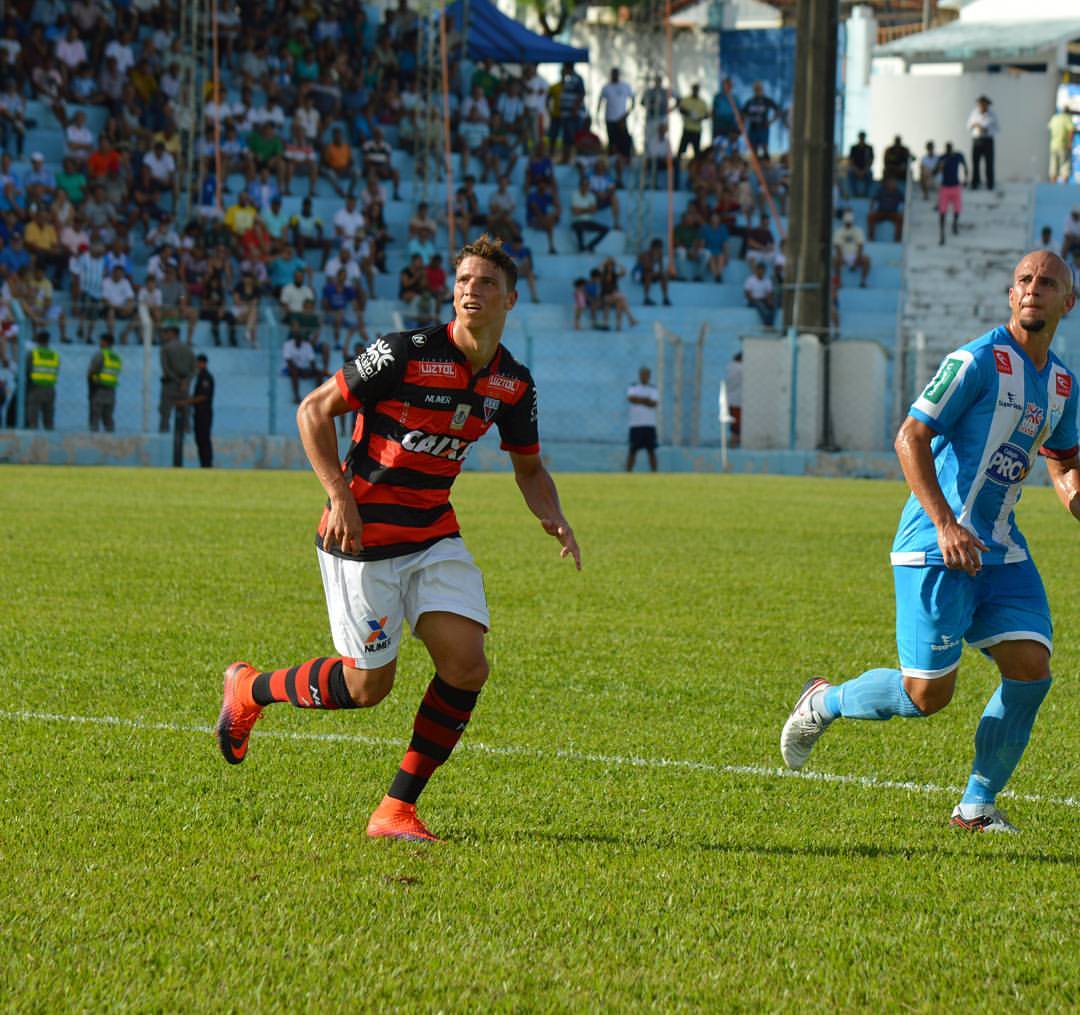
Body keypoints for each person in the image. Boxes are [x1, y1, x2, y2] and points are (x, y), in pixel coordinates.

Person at [214, 235, 581, 844]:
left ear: (511, 299)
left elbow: (530, 468)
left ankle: (395, 810)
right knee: (366, 689)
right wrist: (340, 495)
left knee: (466, 667)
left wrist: (554, 516)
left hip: (434, 535)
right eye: (464, 280)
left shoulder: (513, 383)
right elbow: (313, 410)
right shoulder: (403, 352)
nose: (471, 290)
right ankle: (248, 689)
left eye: (486, 283)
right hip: (362, 539)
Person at [781, 249, 1080, 834]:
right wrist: (946, 524)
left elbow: (1065, 461)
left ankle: (976, 806)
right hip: (935, 542)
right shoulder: (976, 360)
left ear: (1068, 301)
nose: (1032, 289)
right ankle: (825, 700)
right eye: (1024, 279)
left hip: (1001, 547)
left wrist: (1073, 494)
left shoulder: (1064, 383)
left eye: (1048, 283)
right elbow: (910, 437)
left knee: (1031, 669)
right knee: (926, 696)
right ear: (1009, 292)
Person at [159, 325, 195, 433]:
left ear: (172, 334)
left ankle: (163, 437)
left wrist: (177, 380)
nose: (163, 336)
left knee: (165, 414)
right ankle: (187, 437)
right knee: (185, 414)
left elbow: (166, 368)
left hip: (170, 385)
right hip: (185, 386)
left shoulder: (165, 348)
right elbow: (194, 368)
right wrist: (186, 381)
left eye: (166, 333)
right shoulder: (188, 348)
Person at [183, 353, 214, 468]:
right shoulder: (199, 377)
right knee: (200, 438)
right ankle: (204, 463)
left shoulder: (206, 377)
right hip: (199, 412)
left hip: (204, 412)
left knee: (204, 438)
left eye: (198, 363)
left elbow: (204, 396)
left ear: (203, 363)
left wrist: (188, 402)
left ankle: (207, 463)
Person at [934, 141, 968, 246]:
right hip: (945, 187)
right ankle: (942, 234)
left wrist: (966, 179)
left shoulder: (958, 155)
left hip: (955, 186)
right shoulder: (942, 158)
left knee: (957, 209)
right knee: (942, 212)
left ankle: (954, 224)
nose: (949, 149)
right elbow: (934, 173)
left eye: (950, 147)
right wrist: (940, 167)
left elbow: (965, 166)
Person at [626, 365, 659, 472]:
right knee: (632, 450)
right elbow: (631, 399)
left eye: (647, 375)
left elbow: (653, 403)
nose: (644, 376)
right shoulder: (633, 386)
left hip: (649, 424)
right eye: (643, 374)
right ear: (639, 375)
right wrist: (646, 400)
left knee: (651, 450)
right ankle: (628, 473)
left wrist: (639, 400)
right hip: (635, 424)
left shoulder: (653, 388)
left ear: (649, 376)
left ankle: (654, 473)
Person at [87, 332, 121, 432]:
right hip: (111, 390)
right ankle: (111, 441)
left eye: (101, 341)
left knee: (95, 418)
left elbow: (91, 372)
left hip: (99, 389)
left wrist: (92, 388)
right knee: (108, 418)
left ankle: (93, 442)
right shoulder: (116, 357)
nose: (100, 343)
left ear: (105, 342)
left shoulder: (100, 355)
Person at [25, 329, 58, 430]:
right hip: (50, 388)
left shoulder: (33, 353)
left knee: (32, 418)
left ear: (37, 340)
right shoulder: (55, 355)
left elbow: (26, 370)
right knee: (49, 419)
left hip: (35, 388)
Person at [967, 95, 998, 191]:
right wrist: (975, 126)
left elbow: (995, 128)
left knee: (989, 163)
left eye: (983, 104)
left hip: (988, 140)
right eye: (980, 104)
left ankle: (990, 183)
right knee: (975, 162)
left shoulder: (992, 115)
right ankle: (975, 182)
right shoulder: (974, 113)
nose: (981, 106)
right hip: (977, 140)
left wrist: (984, 129)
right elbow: (968, 125)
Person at [832, 209, 870, 288]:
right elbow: (837, 246)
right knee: (834, 260)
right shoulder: (838, 231)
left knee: (867, 259)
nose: (848, 224)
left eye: (850, 222)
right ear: (844, 222)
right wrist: (841, 257)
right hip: (843, 255)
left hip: (855, 255)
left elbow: (860, 245)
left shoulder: (858, 230)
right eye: (847, 223)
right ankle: (838, 282)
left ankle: (863, 281)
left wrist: (858, 257)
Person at [741, 81, 780, 157]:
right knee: (754, 150)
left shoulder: (766, 100)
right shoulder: (750, 101)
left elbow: (777, 111)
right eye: (756, 89)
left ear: (762, 89)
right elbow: (743, 114)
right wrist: (744, 123)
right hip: (753, 128)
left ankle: (766, 165)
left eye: (759, 89)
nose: (757, 90)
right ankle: (756, 167)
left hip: (763, 128)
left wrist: (771, 121)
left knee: (765, 148)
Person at [867, 177, 904, 242]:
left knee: (901, 218)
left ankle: (898, 239)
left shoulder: (898, 192)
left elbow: (904, 202)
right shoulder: (881, 191)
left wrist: (902, 211)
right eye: (890, 183)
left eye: (894, 183)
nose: (892, 184)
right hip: (881, 212)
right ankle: (871, 238)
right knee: (870, 217)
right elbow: (874, 200)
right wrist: (871, 209)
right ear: (887, 184)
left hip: (893, 213)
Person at [743, 260, 776, 328]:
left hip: (764, 300)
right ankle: (767, 325)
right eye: (760, 270)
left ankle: (769, 324)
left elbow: (770, 293)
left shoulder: (767, 280)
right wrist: (756, 300)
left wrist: (770, 302)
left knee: (773, 306)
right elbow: (747, 295)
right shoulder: (750, 280)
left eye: (763, 270)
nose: (761, 272)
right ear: (756, 270)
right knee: (761, 307)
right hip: (752, 301)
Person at [1047, 108, 1075, 184]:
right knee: (1065, 164)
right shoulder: (1067, 118)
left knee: (1054, 165)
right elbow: (1071, 130)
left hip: (1053, 145)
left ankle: (1053, 184)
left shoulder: (1054, 118)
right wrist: (1070, 143)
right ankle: (1064, 186)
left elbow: (1049, 128)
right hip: (1063, 145)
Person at [846, 131, 874, 199]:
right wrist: (857, 171)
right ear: (859, 138)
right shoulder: (854, 148)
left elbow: (871, 161)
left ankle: (865, 194)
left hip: (865, 169)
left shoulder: (869, 148)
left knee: (870, 174)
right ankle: (855, 195)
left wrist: (864, 171)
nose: (862, 139)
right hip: (855, 169)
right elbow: (851, 161)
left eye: (863, 137)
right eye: (861, 137)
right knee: (850, 174)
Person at [724, 351, 742, 448]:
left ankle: (733, 445)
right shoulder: (740, 369)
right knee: (737, 428)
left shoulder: (729, 367)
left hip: (731, 401)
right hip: (738, 402)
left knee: (735, 427)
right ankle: (733, 446)